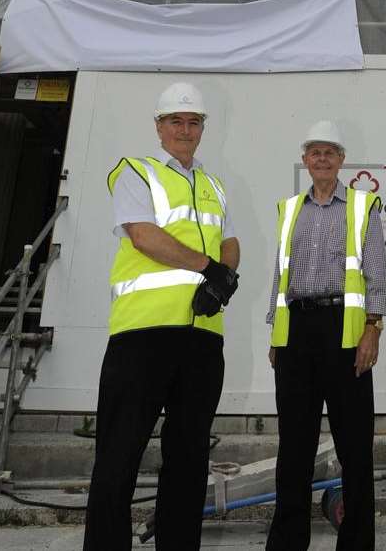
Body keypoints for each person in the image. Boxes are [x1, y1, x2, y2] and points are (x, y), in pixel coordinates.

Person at [84, 82, 240, 551]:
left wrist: (224, 278)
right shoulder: (136, 172)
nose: (185, 130)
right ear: (159, 126)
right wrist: (208, 268)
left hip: (202, 338)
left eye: (193, 123)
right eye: (176, 121)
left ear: (202, 130)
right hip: (143, 336)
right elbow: (144, 236)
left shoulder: (212, 185)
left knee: (189, 456)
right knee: (120, 453)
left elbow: (230, 242)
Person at [264, 120, 386, 551]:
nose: (321, 159)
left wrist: (373, 329)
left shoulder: (362, 206)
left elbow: (376, 273)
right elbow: (280, 275)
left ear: (341, 161)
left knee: (355, 449)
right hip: (296, 333)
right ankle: (286, 543)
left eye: (329, 152)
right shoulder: (289, 209)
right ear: (305, 161)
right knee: (293, 450)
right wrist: (275, 335)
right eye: (314, 152)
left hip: (345, 335)